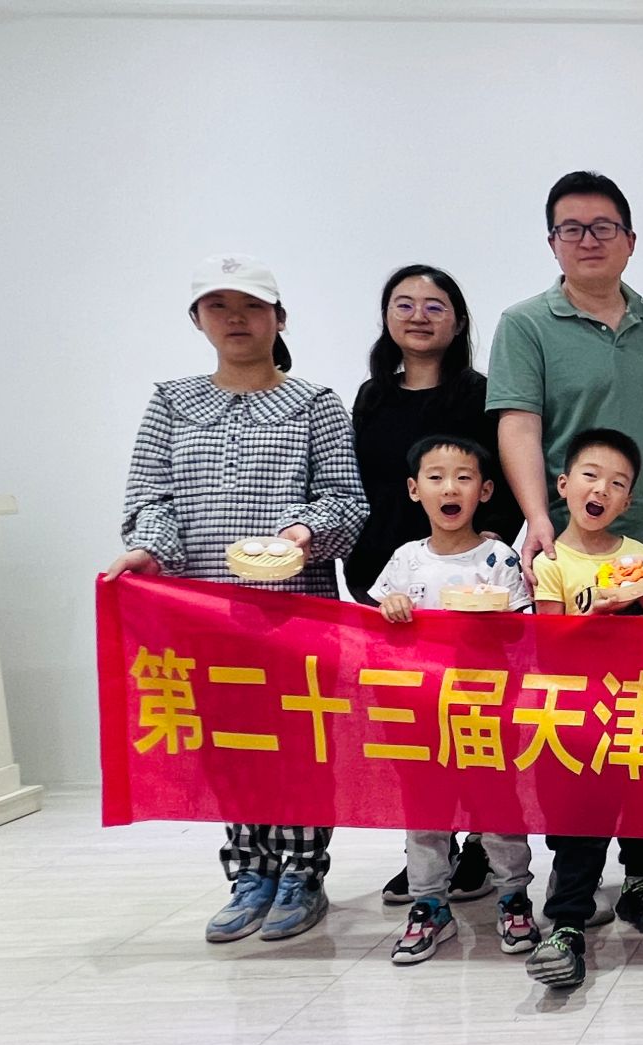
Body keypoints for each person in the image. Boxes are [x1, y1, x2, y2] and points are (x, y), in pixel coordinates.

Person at [108, 254, 367, 943]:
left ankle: (302, 873)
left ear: (279, 318)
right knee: (228, 744)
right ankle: (249, 872)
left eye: (252, 306)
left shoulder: (316, 403)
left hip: (294, 610)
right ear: (197, 320)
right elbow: (150, 500)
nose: (236, 318)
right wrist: (150, 549)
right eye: (218, 306)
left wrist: (302, 533)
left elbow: (346, 502)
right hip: (202, 611)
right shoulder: (171, 402)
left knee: (299, 743)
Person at [488, 169, 643, 878]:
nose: (588, 240)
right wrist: (540, 517)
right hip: (569, 551)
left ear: (630, 240)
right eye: (572, 228)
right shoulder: (525, 324)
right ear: (552, 242)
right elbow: (519, 424)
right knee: (578, 710)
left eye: (603, 228)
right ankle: (579, 863)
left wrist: (629, 487)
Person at [345, 264, 516, 909]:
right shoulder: (371, 397)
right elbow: (358, 483)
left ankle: (479, 851)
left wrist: (487, 556)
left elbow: (504, 474)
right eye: (405, 303)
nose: (419, 315)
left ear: (459, 320)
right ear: (386, 316)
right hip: (392, 582)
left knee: (474, 719)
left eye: (435, 305)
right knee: (413, 725)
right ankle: (427, 858)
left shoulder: (482, 394)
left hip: (471, 586)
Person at [368, 435, 539, 964]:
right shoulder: (404, 561)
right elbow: (377, 634)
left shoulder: (498, 558)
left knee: (498, 806)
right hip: (420, 713)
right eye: (436, 477)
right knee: (425, 811)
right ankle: (429, 904)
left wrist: (499, 623)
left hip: (485, 711)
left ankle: (513, 896)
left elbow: (524, 634)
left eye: (464, 478)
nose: (450, 488)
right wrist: (390, 608)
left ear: (484, 491)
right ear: (414, 489)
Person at [526, 428, 643, 990]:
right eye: (591, 476)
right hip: (575, 714)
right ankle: (567, 923)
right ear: (564, 485)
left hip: (637, 705)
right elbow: (547, 640)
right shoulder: (552, 560)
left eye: (617, 484)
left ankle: (639, 881)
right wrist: (595, 616)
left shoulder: (635, 554)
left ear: (627, 501)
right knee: (580, 817)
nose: (602, 490)